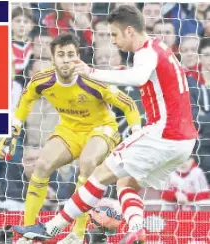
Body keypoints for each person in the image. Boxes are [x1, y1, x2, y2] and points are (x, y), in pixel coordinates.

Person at [13, 5, 197, 244]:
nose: (113, 41)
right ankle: (137, 231)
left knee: (98, 175)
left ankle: (50, 228)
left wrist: (92, 71)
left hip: (164, 134)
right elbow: (150, 79)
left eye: (114, 35)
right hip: (184, 141)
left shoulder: (145, 52)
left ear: (129, 31)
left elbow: (138, 77)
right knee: (125, 182)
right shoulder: (159, 47)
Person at [0, 32, 141, 244]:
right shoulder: (42, 80)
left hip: (102, 129)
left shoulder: (93, 79)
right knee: (42, 165)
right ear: (53, 58)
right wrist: (14, 131)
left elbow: (128, 104)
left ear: (78, 56)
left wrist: (136, 136)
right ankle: (28, 232)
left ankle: (78, 234)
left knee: (88, 162)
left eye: (71, 54)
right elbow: (26, 99)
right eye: (61, 54)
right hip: (70, 129)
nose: (66, 59)